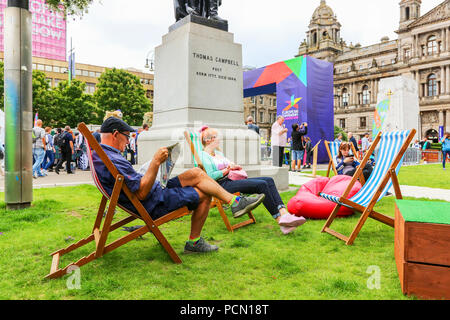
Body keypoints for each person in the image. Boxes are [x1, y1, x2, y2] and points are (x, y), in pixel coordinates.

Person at [93, 117, 265, 254]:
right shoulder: (111, 159)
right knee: (204, 194)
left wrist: (159, 167)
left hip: (153, 192)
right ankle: (194, 242)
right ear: (115, 134)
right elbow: (142, 194)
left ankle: (235, 203)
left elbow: (137, 186)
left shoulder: (104, 155)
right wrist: (155, 162)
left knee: (197, 173)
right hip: (152, 202)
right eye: (127, 136)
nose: (128, 141)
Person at [200, 126, 307, 235]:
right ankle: (280, 221)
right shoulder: (204, 156)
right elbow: (211, 176)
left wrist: (234, 166)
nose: (218, 139)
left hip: (231, 179)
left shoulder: (219, 154)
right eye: (215, 137)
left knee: (269, 180)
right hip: (222, 186)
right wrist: (226, 170)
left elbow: (229, 166)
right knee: (262, 185)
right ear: (208, 140)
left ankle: (284, 213)